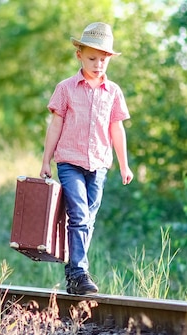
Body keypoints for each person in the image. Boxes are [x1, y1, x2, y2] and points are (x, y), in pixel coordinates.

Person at [39, 22, 133, 295]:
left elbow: (117, 129)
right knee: (78, 214)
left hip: (99, 164)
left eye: (103, 60)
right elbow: (55, 125)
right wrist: (46, 161)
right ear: (79, 54)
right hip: (69, 161)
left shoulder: (113, 92)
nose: (98, 64)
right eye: (92, 58)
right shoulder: (66, 88)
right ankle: (80, 272)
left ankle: (73, 272)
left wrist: (124, 165)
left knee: (88, 219)